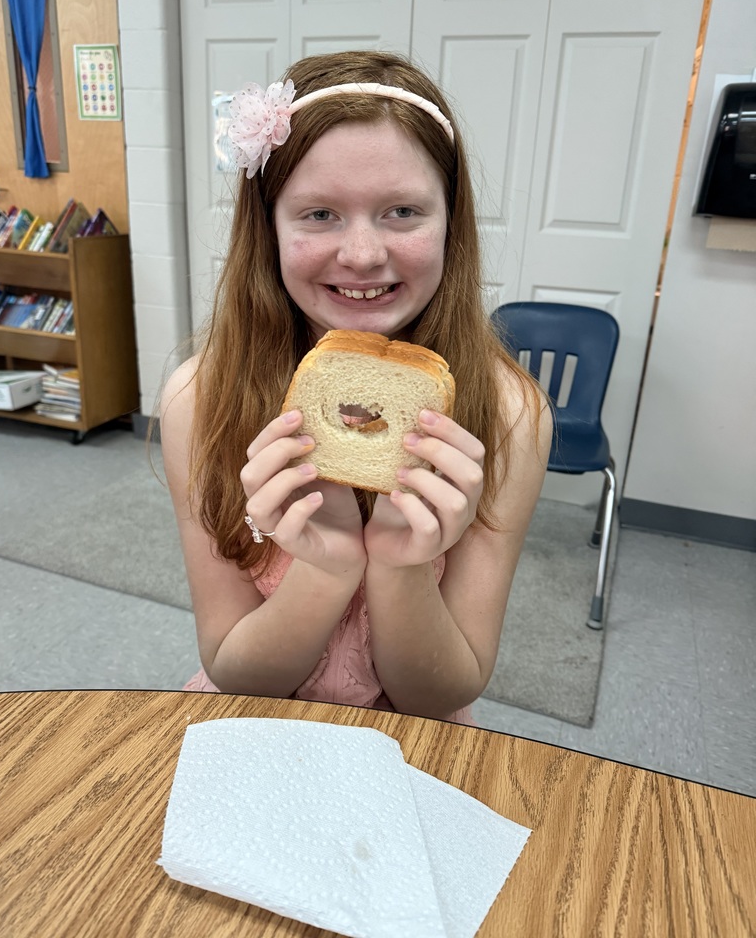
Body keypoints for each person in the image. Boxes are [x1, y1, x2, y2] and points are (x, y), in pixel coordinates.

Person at [160, 50, 552, 725]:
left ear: (451, 224)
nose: (364, 254)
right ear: (269, 229)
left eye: (402, 210)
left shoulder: (512, 416)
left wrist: (402, 565)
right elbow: (233, 667)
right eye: (319, 215)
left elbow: (444, 691)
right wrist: (328, 565)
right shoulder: (199, 400)